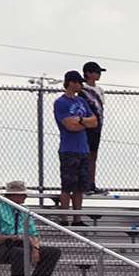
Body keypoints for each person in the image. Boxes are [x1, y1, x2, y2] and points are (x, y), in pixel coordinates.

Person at [0, 179, 61, 276]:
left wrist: (36, 248)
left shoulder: (24, 210)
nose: (26, 196)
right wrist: (12, 237)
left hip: (25, 245)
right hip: (4, 246)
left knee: (53, 252)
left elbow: (33, 234)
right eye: (22, 194)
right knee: (20, 252)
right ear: (13, 195)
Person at [52, 71, 98, 217]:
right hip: (68, 149)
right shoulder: (61, 102)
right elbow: (69, 126)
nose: (80, 85)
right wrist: (84, 122)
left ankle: (77, 217)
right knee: (67, 186)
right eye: (78, 82)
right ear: (71, 83)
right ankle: (64, 217)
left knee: (79, 187)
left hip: (83, 149)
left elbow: (94, 121)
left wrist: (80, 121)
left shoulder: (82, 101)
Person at [77, 61, 107, 192]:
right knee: (85, 155)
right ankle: (84, 184)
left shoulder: (100, 90)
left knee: (93, 155)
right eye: (96, 71)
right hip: (87, 126)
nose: (98, 74)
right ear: (88, 73)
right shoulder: (83, 89)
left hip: (98, 126)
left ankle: (92, 183)